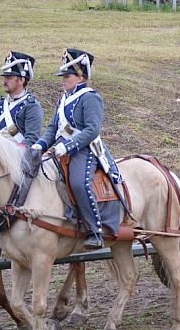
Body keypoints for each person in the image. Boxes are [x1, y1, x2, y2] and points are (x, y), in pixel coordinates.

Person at [31, 49, 122, 249]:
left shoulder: (90, 98)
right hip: (61, 150)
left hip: (84, 150)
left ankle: (94, 230)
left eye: (67, 76)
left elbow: (92, 130)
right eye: (62, 76)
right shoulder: (63, 99)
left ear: (81, 76)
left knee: (79, 182)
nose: (62, 80)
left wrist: (67, 145)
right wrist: (39, 145)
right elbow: (52, 128)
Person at [0, 51, 43, 145]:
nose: (5, 81)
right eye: (4, 77)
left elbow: (31, 140)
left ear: (21, 80)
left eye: (9, 77)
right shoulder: (1, 104)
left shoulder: (32, 106)